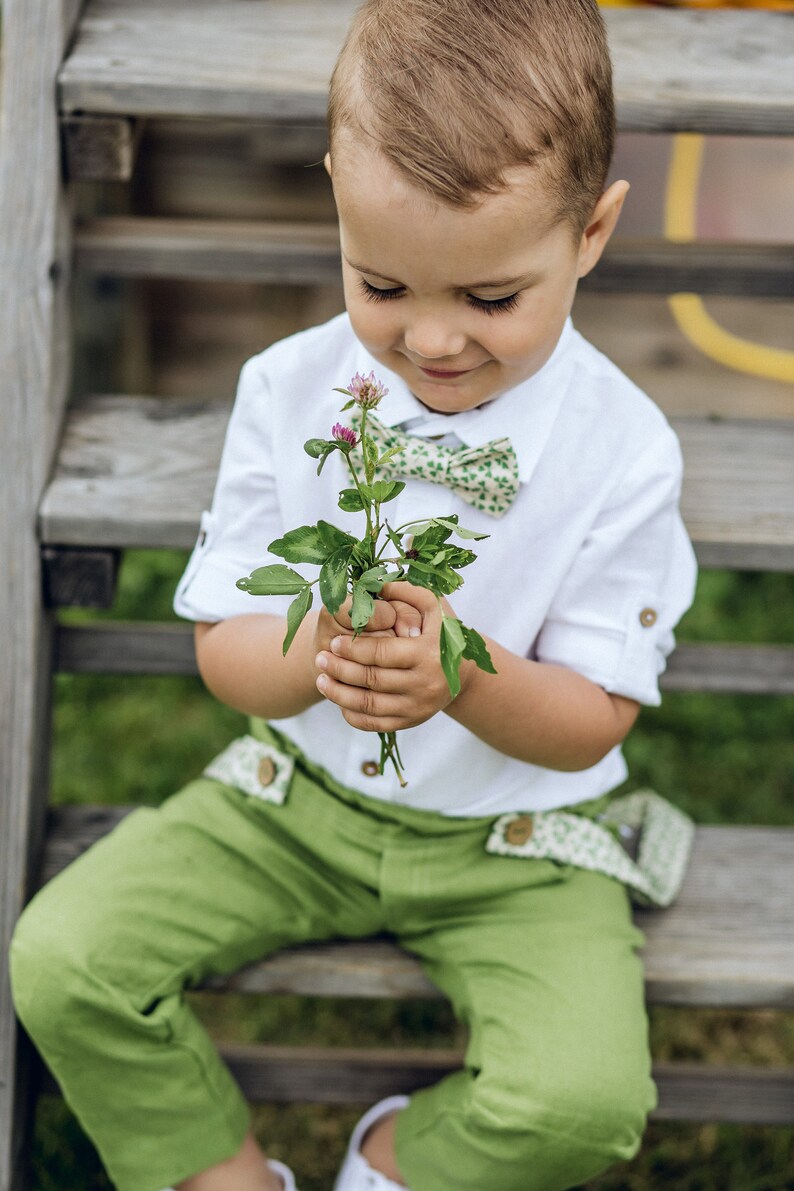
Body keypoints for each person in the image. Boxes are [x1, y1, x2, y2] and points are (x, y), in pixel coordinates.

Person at [9, 1, 698, 1189]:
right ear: (335, 195)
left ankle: (388, 1163)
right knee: (63, 958)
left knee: (579, 1102)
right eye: (381, 283)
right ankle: (218, 1171)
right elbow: (227, 654)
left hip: (511, 840)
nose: (430, 340)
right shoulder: (289, 391)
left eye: (489, 299)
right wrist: (315, 639)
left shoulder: (620, 450)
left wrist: (459, 676)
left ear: (590, 232)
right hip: (294, 803)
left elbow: (594, 714)